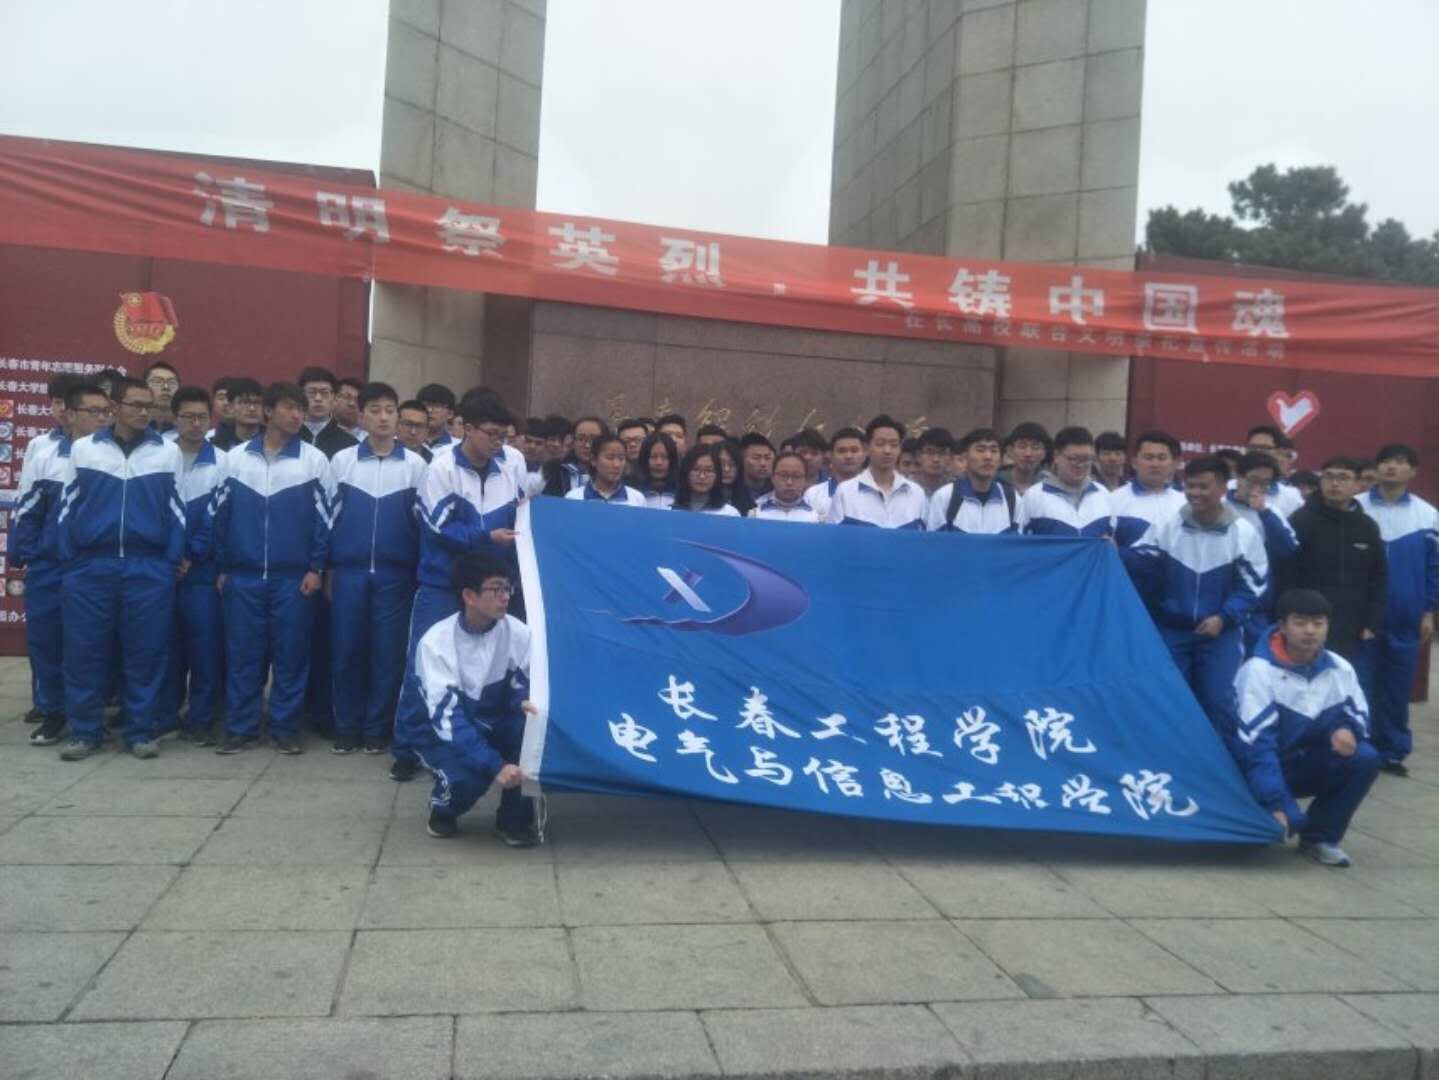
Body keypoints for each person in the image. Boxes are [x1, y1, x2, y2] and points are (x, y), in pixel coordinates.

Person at [55, 376, 184, 761]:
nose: (144, 412)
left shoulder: (167, 452)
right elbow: (66, 509)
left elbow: (177, 513)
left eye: (149, 406)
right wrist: (72, 562)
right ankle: (85, 732)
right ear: (115, 408)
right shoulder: (84, 449)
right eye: (136, 405)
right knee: (84, 653)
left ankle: (140, 731)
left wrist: (168, 563)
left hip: (148, 568)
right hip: (91, 567)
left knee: (146, 653)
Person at [396, 395, 524, 780]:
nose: (498, 443)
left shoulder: (507, 471)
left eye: (503, 436)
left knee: (485, 667)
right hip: (442, 583)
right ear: (467, 429)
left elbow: (519, 520)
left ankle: (464, 746)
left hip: (490, 588)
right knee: (422, 663)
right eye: (491, 434)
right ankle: (407, 747)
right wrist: (487, 537)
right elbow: (437, 527)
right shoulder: (441, 468)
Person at [204, 382, 333, 755]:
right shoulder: (235, 459)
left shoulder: (314, 461)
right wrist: (222, 566)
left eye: (301, 409)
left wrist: (316, 568)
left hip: (294, 577)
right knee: (243, 657)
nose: (297, 415)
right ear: (268, 412)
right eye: (289, 407)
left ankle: (285, 729)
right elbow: (219, 516)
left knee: (291, 656)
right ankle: (240, 728)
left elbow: (326, 521)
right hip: (242, 575)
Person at [1122, 456, 1268, 740]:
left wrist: (1224, 618)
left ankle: (1220, 763)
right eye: (1190, 486)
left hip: (1221, 634)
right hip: (1172, 630)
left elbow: (1255, 587)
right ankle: (1172, 760)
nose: (1195, 493)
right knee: (1169, 700)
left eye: (1203, 487)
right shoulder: (1168, 525)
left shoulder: (1243, 532)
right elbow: (1140, 561)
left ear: (1223, 488)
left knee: (1218, 702)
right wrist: (1111, 552)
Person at [1232, 589, 1380, 867]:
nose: (1310, 631)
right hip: (1257, 771)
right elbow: (1256, 748)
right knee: (1259, 841)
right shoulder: (1257, 671)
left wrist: (1347, 729)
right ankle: (1264, 815)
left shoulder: (1340, 668)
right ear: (1282, 626)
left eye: (1318, 623)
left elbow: (1359, 718)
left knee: (1364, 757)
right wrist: (1279, 805)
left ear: (1327, 626)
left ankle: (1319, 838)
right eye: (1300, 623)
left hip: (1306, 764)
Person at [404, 551, 539, 845]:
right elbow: (447, 719)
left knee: (530, 731)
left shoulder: (518, 632)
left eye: (507, 588)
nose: (505, 596)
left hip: (492, 721)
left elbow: (523, 682)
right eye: (496, 589)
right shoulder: (435, 643)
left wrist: (521, 700)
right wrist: (494, 765)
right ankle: (443, 808)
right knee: (470, 778)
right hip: (440, 732)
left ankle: (514, 820)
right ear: (469, 595)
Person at [327, 383, 428, 755]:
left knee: (388, 655)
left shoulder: (416, 466)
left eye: (389, 410)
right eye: (375, 410)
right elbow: (328, 521)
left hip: (396, 576)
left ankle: (377, 729)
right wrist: (327, 570)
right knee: (346, 651)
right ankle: (346, 727)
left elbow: (422, 526)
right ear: (362, 416)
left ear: (397, 416)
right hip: (349, 573)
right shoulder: (343, 462)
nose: (383, 418)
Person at [13, 377, 93, 743]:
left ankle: (88, 715)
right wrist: (29, 554)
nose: (99, 418)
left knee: (88, 645)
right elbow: (28, 505)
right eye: (92, 411)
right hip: (49, 564)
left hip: (90, 565)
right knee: (46, 642)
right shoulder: (43, 450)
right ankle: (53, 712)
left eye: (103, 411)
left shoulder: (107, 455)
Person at [1358, 444, 1439, 775]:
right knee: (1359, 683)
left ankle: (1392, 750)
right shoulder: (1356, 507)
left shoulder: (1427, 515)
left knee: (1396, 686)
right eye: (1385, 461)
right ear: (1376, 468)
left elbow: (1434, 568)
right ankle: (1359, 749)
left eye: (1400, 462)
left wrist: (1429, 610)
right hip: (1361, 615)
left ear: (1413, 471)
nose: (1391, 467)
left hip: (1406, 613)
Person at [1279, 457, 1387, 668]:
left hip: (1353, 625)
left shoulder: (1367, 527)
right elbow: (1285, 573)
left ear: (1357, 485)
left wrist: (1372, 621)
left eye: (1343, 478)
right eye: (1328, 477)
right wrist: (1287, 616)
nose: (1335, 483)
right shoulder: (1300, 520)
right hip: (1307, 625)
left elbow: (1378, 577)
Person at [168, 386, 226, 745]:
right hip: (161, 568)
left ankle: (201, 718)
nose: (195, 423)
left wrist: (191, 554)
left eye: (202, 417)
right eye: (188, 416)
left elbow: (215, 518)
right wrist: (170, 555)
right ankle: (163, 715)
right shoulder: (158, 455)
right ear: (174, 418)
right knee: (163, 649)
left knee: (205, 650)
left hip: (202, 572)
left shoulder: (223, 461)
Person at [1226, 451, 1301, 652]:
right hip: (1222, 600)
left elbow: (1288, 549)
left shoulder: (1270, 511)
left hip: (1257, 606)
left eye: (1265, 483)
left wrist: (1264, 513)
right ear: (1238, 476)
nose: (1257, 488)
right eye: (1253, 480)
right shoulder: (1219, 505)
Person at [827, 415, 927, 528]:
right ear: (867, 448)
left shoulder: (916, 493)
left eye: (894, 445)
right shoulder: (845, 492)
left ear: (900, 449)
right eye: (880, 444)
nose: (887, 451)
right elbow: (834, 536)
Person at [1018, 426, 1114, 539]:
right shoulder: (1034, 496)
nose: (1080, 464)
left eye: (1086, 459)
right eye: (1074, 458)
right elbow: (1022, 543)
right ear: (1056, 456)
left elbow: (1112, 539)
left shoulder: (1102, 494)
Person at [925, 427, 1018, 534]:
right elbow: (934, 542)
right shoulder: (945, 497)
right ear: (965, 457)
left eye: (994, 451)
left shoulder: (1012, 498)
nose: (988, 456)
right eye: (980, 450)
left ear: (1001, 459)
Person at [1110, 430, 1186, 547]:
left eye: (1162, 458)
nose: (1155, 464)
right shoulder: (1114, 500)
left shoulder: (1184, 503)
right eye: (1148, 457)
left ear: (1174, 463)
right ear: (1134, 462)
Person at [564, 434, 647, 506]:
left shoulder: (637, 499)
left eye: (621, 458)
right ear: (593, 460)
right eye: (610, 458)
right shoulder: (574, 497)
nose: (616, 464)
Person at [296, 366, 359, 458]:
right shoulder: (289, 437)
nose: (318, 398)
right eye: (312, 392)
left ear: (334, 398)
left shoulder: (350, 444)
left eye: (324, 393)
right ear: (301, 396)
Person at [805, 426, 865, 522]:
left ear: (864, 454)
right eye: (842, 451)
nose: (848, 456)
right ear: (831, 456)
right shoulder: (812, 494)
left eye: (854, 450)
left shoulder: (875, 493)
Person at [1241, 426, 1303, 515]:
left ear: (1278, 452)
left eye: (1265, 448)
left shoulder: (1291, 497)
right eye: (1253, 447)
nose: (1258, 452)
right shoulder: (1227, 488)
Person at [751, 451, 821, 522]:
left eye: (796, 476)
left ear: (805, 479)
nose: (789, 482)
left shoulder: (815, 518)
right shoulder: (756, 515)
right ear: (772, 478)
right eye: (783, 475)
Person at [673, 444, 740, 515]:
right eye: (696, 469)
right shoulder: (670, 511)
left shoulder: (730, 513)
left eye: (708, 470)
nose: (702, 476)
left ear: (718, 475)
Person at [209, 377, 264, 451]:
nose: (252, 408)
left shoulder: (273, 443)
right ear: (231, 407)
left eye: (257, 403)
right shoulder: (214, 447)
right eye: (245, 402)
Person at [998, 422, 1050, 495]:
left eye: (1035, 447)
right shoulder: (995, 481)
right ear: (1010, 451)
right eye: (1022, 446)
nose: (1028, 454)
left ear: (1044, 453)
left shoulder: (1050, 486)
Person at [634, 431, 679, 508]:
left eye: (664, 457)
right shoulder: (633, 493)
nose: (659, 462)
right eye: (654, 457)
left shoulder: (682, 492)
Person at [915, 427, 954, 496]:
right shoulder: (907, 487)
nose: (936, 459)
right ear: (918, 456)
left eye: (942, 453)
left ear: (951, 457)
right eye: (930, 452)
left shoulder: (956, 488)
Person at [144, 361, 181, 435]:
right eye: (157, 382)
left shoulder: (187, 432)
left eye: (172, 382)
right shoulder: (133, 429)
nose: (166, 387)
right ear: (144, 387)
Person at [417, 383, 458, 448]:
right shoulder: (405, 444)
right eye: (424, 405)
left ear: (450, 414)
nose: (429, 410)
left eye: (436, 406)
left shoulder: (459, 447)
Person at [738, 433, 776, 502]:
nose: (763, 463)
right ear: (741, 459)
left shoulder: (778, 490)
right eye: (756, 458)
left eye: (768, 458)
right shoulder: (731, 492)